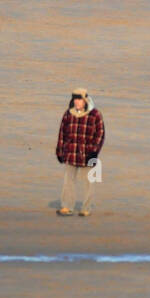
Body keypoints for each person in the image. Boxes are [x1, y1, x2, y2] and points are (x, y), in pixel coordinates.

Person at [55, 88, 104, 217]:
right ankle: (67, 206)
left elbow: (100, 134)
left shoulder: (95, 115)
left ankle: (86, 208)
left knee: (89, 182)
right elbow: (62, 133)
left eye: (79, 99)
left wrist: (94, 152)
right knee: (68, 181)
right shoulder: (68, 114)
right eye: (75, 99)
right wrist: (59, 151)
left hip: (88, 155)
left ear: (85, 100)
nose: (77, 102)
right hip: (71, 153)